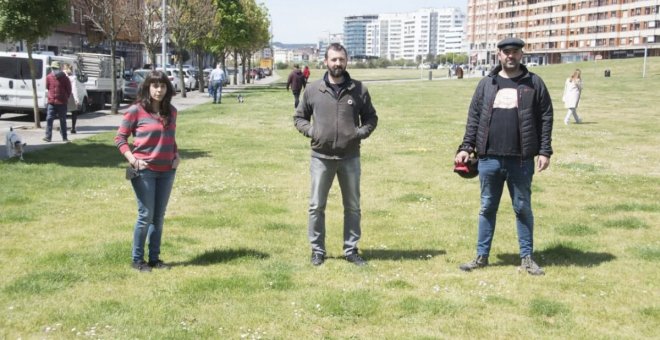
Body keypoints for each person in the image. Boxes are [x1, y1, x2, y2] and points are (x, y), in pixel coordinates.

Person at [454, 37, 554, 276]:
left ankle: (527, 258)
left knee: (522, 208)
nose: (510, 56)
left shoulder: (533, 83)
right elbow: (474, 117)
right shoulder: (487, 84)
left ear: (521, 54)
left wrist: (544, 150)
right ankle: (481, 256)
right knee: (487, 207)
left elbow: (546, 117)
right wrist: (466, 147)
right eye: (506, 52)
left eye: (515, 52)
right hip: (488, 159)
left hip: (521, 159)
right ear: (499, 55)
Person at [294, 43, 379, 267]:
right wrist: (313, 131)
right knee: (316, 206)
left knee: (352, 206)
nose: (337, 64)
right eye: (333, 60)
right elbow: (299, 118)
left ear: (346, 61)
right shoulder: (312, 90)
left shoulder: (359, 90)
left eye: (341, 59)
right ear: (326, 61)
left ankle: (351, 250)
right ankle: (317, 250)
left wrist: (358, 133)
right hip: (320, 157)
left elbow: (371, 118)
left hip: (350, 157)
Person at [114, 70, 180, 272]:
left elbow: (169, 137)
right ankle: (137, 260)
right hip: (145, 171)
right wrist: (133, 160)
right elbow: (120, 139)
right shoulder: (136, 111)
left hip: (167, 170)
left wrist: (176, 155)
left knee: (158, 217)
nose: (159, 90)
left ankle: (154, 259)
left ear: (167, 88)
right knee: (146, 215)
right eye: (155, 86)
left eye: (162, 86)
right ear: (148, 88)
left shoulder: (172, 111)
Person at [43, 61, 72, 142]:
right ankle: (48, 137)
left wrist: (65, 97)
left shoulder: (65, 78)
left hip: (62, 103)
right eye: (53, 68)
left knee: (62, 120)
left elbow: (69, 90)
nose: (54, 70)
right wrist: (50, 97)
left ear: (59, 69)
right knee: (49, 119)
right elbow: (48, 87)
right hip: (51, 102)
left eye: (55, 68)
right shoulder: (48, 77)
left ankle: (64, 137)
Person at [62, 63, 82, 134]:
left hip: (63, 95)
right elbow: (74, 89)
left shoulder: (61, 76)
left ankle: (63, 128)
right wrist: (77, 99)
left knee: (63, 113)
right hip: (71, 95)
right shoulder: (73, 77)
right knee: (74, 112)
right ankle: (73, 127)